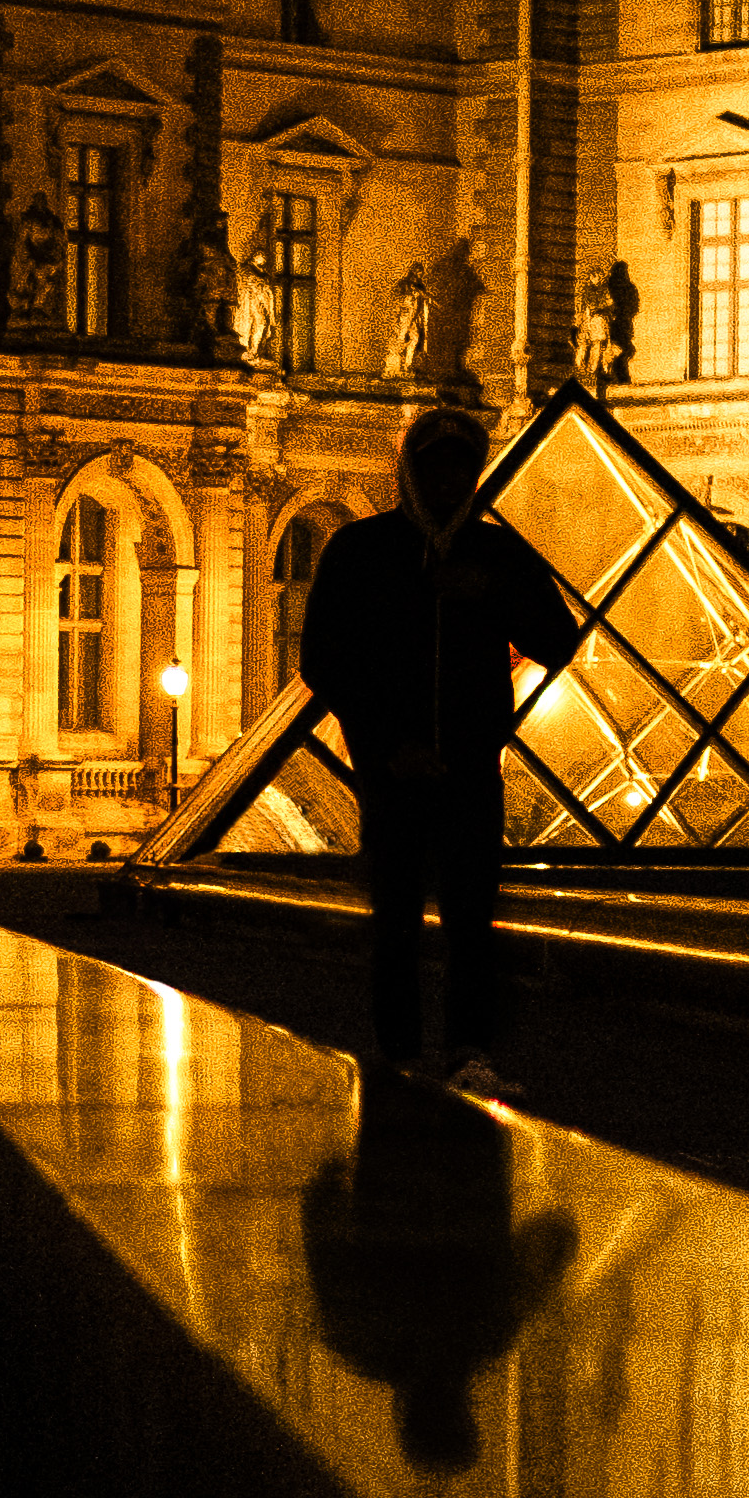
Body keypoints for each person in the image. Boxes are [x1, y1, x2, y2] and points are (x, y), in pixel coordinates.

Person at [297, 405, 580, 1083]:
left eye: (462, 468)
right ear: (411, 473)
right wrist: (389, 741)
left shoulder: (496, 556)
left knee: (470, 921)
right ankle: (399, 1052)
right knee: (395, 920)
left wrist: (493, 596)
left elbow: (558, 640)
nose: (450, 482)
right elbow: (324, 660)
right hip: (392, 766)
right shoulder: (360, 550)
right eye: (436, 468)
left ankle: (466, 1051)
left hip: (468, 762)